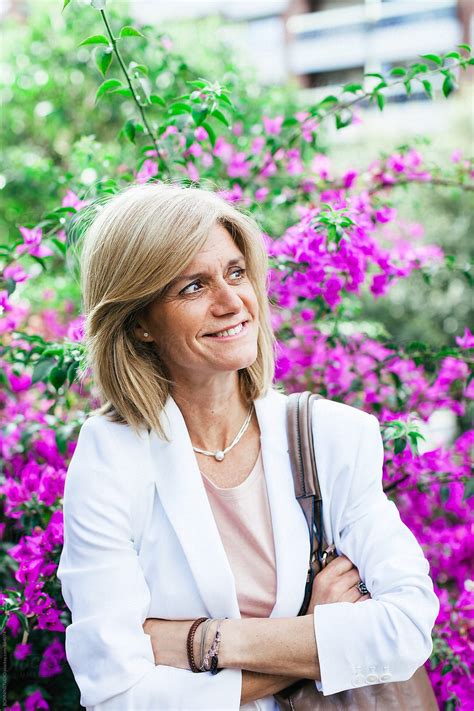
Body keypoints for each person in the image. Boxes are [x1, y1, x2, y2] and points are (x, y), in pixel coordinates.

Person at [57, 182, 439, 711]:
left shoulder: (331, 437)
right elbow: (118, 692)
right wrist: (313, 637)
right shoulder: (111, 460)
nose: (232, 301)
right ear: (140, 321)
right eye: (193, 287)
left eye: (237, 272)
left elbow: (406, 628)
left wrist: (204, 642)